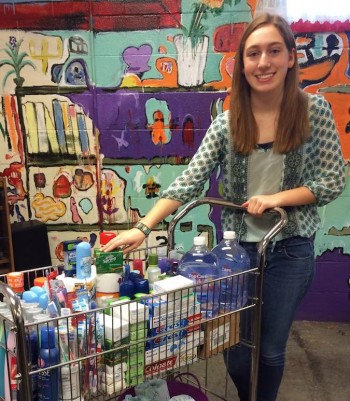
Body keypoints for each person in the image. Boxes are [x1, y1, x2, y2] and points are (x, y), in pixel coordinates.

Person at [102, 13, 346, 401]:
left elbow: (333, 180)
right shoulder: (228, 123)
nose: (263, 62)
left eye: (273, 51)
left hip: (290, 247)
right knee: (233, 347)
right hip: (237, 253)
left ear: (289, 59)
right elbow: (189, 180)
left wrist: (276, 199)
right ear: (242, 64)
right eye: (253, 53)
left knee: (268, 349)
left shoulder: (313, 112)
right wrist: (143, 227)